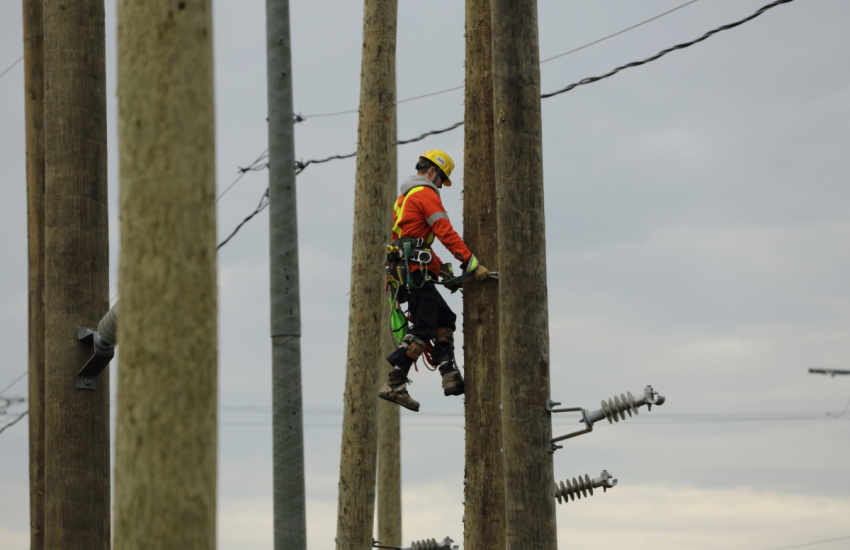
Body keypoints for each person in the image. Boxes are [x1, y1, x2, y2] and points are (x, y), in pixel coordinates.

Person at [378, 149, 491, 412]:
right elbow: (445, 233)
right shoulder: (425, 194)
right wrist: (471, 263)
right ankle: (394, 383)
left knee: (445, 318)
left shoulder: (404, 198)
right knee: (425, 326)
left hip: (411, 270)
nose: (441, 186)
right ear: (432, 172)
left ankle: (448, 373)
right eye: (442, 180)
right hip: (415, 272)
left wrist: (443, 272)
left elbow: (413, 243)